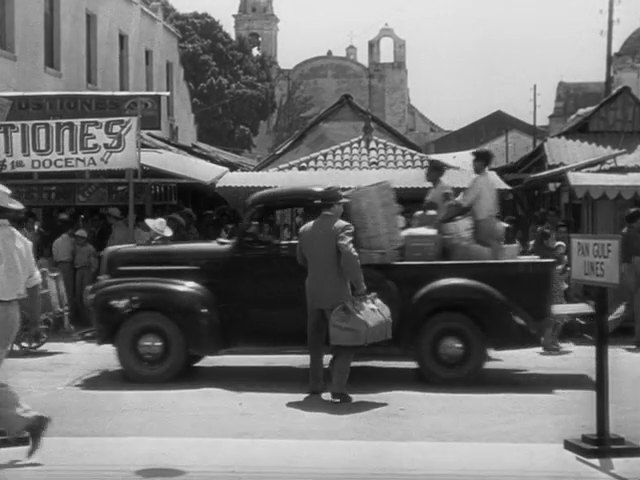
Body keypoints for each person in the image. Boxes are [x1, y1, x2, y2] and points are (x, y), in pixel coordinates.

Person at [296, 187, 367, 404]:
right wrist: (359, 285)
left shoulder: (305, 229)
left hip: (313, 291)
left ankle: (315, 384)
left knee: (315, 341)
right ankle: (337, 387)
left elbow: (301, 259)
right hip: (337, 292)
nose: (343, 207)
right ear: (335, 206)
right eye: (341, 204)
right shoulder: (342, 227)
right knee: (345, 341)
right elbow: (348, 255)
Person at [0, 184, 51, 458]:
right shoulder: (21, 240)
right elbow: (34, 285)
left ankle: (25, 421)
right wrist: (34, 321)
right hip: (9, 314)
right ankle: (18, 424)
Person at [447, 149, 502, 259]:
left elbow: (464, 205)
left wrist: (448, 215)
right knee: (494, 255)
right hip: (494, 222)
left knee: (481, 255)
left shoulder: (478, 181)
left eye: (475, 161)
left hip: (483, 223)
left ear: (481, 163)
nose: (473, 164)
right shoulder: (490, 180)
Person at [609, 208, 640, 347]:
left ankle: (606, 327)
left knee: (630, 303)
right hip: (634, 266)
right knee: (636, 304)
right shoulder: (632, 234)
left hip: (628, 267)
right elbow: (636, 256)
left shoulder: (625, 232)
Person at [73, 229, 98, 324]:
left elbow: (94, 264)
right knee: (78, 295)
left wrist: (91, 273)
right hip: (78, 270)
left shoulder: (90, 248)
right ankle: (83, 318)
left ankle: (89, 319)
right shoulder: (75, 248)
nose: (78, 240)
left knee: (86, 295)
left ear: (84, 239)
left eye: (80, 238)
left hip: (86, 271)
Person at [52, 215, 76, 312]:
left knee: (60, 289)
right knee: (69, 290)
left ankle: (61, 311)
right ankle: (69, 312)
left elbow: (55, 257)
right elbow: (74, 253)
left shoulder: (56, 242)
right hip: (69, 266)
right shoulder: (73, 241)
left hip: (59, 266)